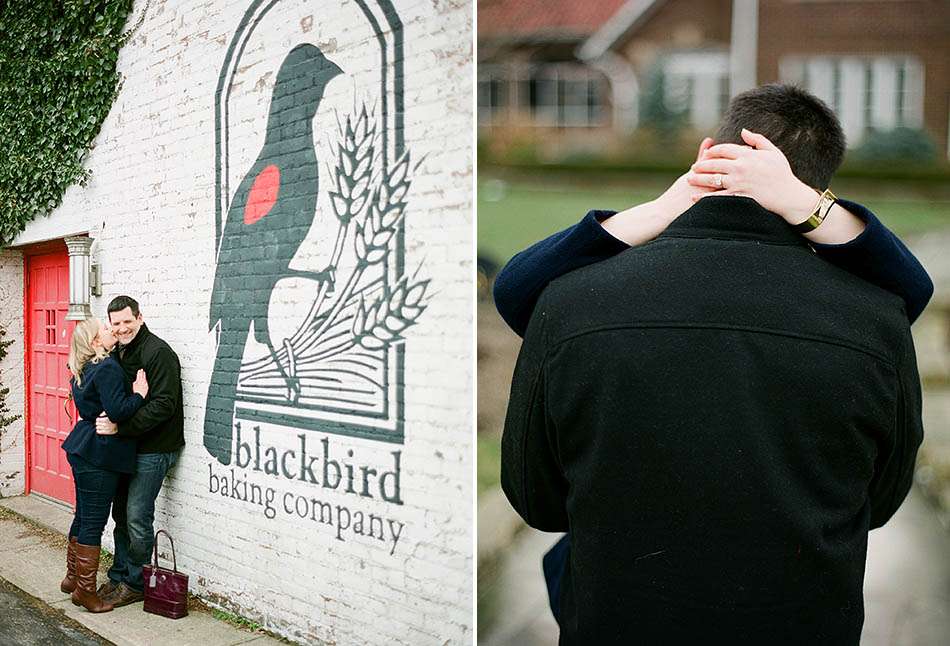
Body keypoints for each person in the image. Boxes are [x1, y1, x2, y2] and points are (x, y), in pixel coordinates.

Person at [498, 84, 930, 644]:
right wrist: (807, 205)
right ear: (818, 185)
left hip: (617, 619)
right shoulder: (877, 319)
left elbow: (537, 498)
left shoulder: (569, 303)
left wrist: (666, 204)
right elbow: (881, 499)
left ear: (706, 153)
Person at [93, 295, 185, 607]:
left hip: (155, 448)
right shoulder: (119, 351)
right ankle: (120, 575)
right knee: (120, 514)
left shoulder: (157, 352)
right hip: (129, 448)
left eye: (127, 321)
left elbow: (164, 405)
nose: (122, 328)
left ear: (140, 318)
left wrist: (121, 427)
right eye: (115, 324)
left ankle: (135, 582)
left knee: (136, 516)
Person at [62, 318, 149, 612]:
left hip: (82, 446)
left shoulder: (83, 367)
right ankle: (85, 592)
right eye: (107, 330)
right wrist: (139, 394)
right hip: (99, 453)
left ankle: (73, 578)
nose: (113, 331)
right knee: (94, 522)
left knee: (83, 513)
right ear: (95, 342)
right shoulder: (108, 367)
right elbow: (116, 411)